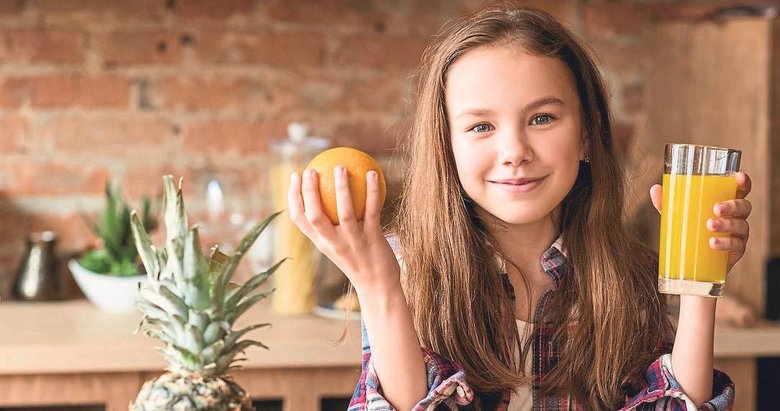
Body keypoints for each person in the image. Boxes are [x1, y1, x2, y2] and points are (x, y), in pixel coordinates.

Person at [288, 5, 752, 411]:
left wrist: (698, 284)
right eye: (481, 126)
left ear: (587, 134)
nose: (514, 150)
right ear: (446, 147)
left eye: (542, 118)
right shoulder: (404, 267)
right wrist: (380, 289)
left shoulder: (628, 276)